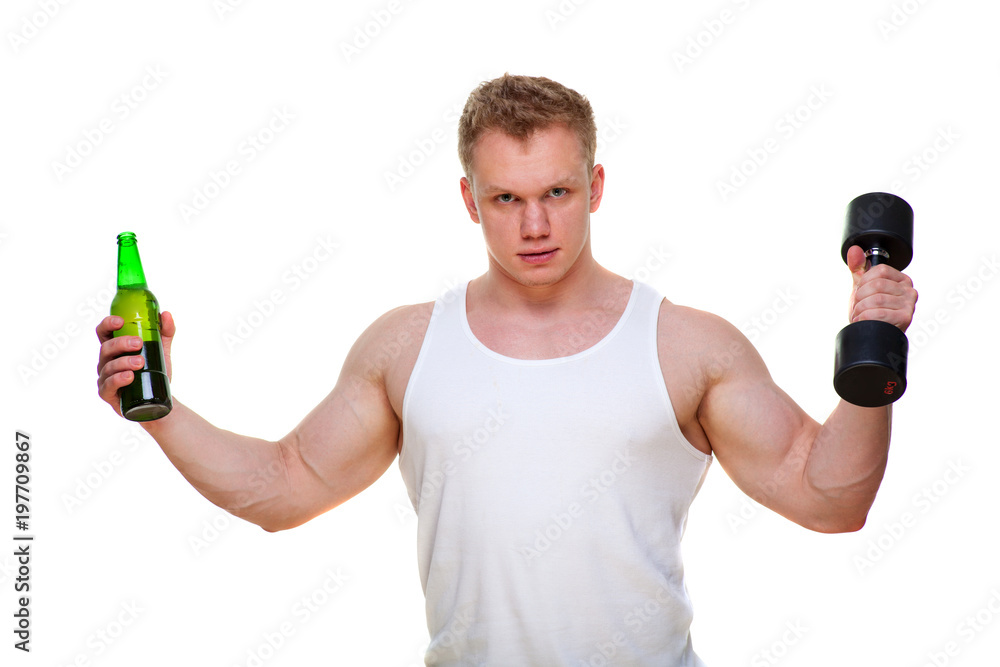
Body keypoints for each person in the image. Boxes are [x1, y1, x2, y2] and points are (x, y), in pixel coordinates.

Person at [96, 74, 918, 665]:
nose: (534, 224)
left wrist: (872, 348)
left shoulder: (687, 346)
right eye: (505, 199)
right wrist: (161, 408)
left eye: (557, 192)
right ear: (468, 199)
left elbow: (830, 497)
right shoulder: (405, 346)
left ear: (595, 186)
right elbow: (284, 485)